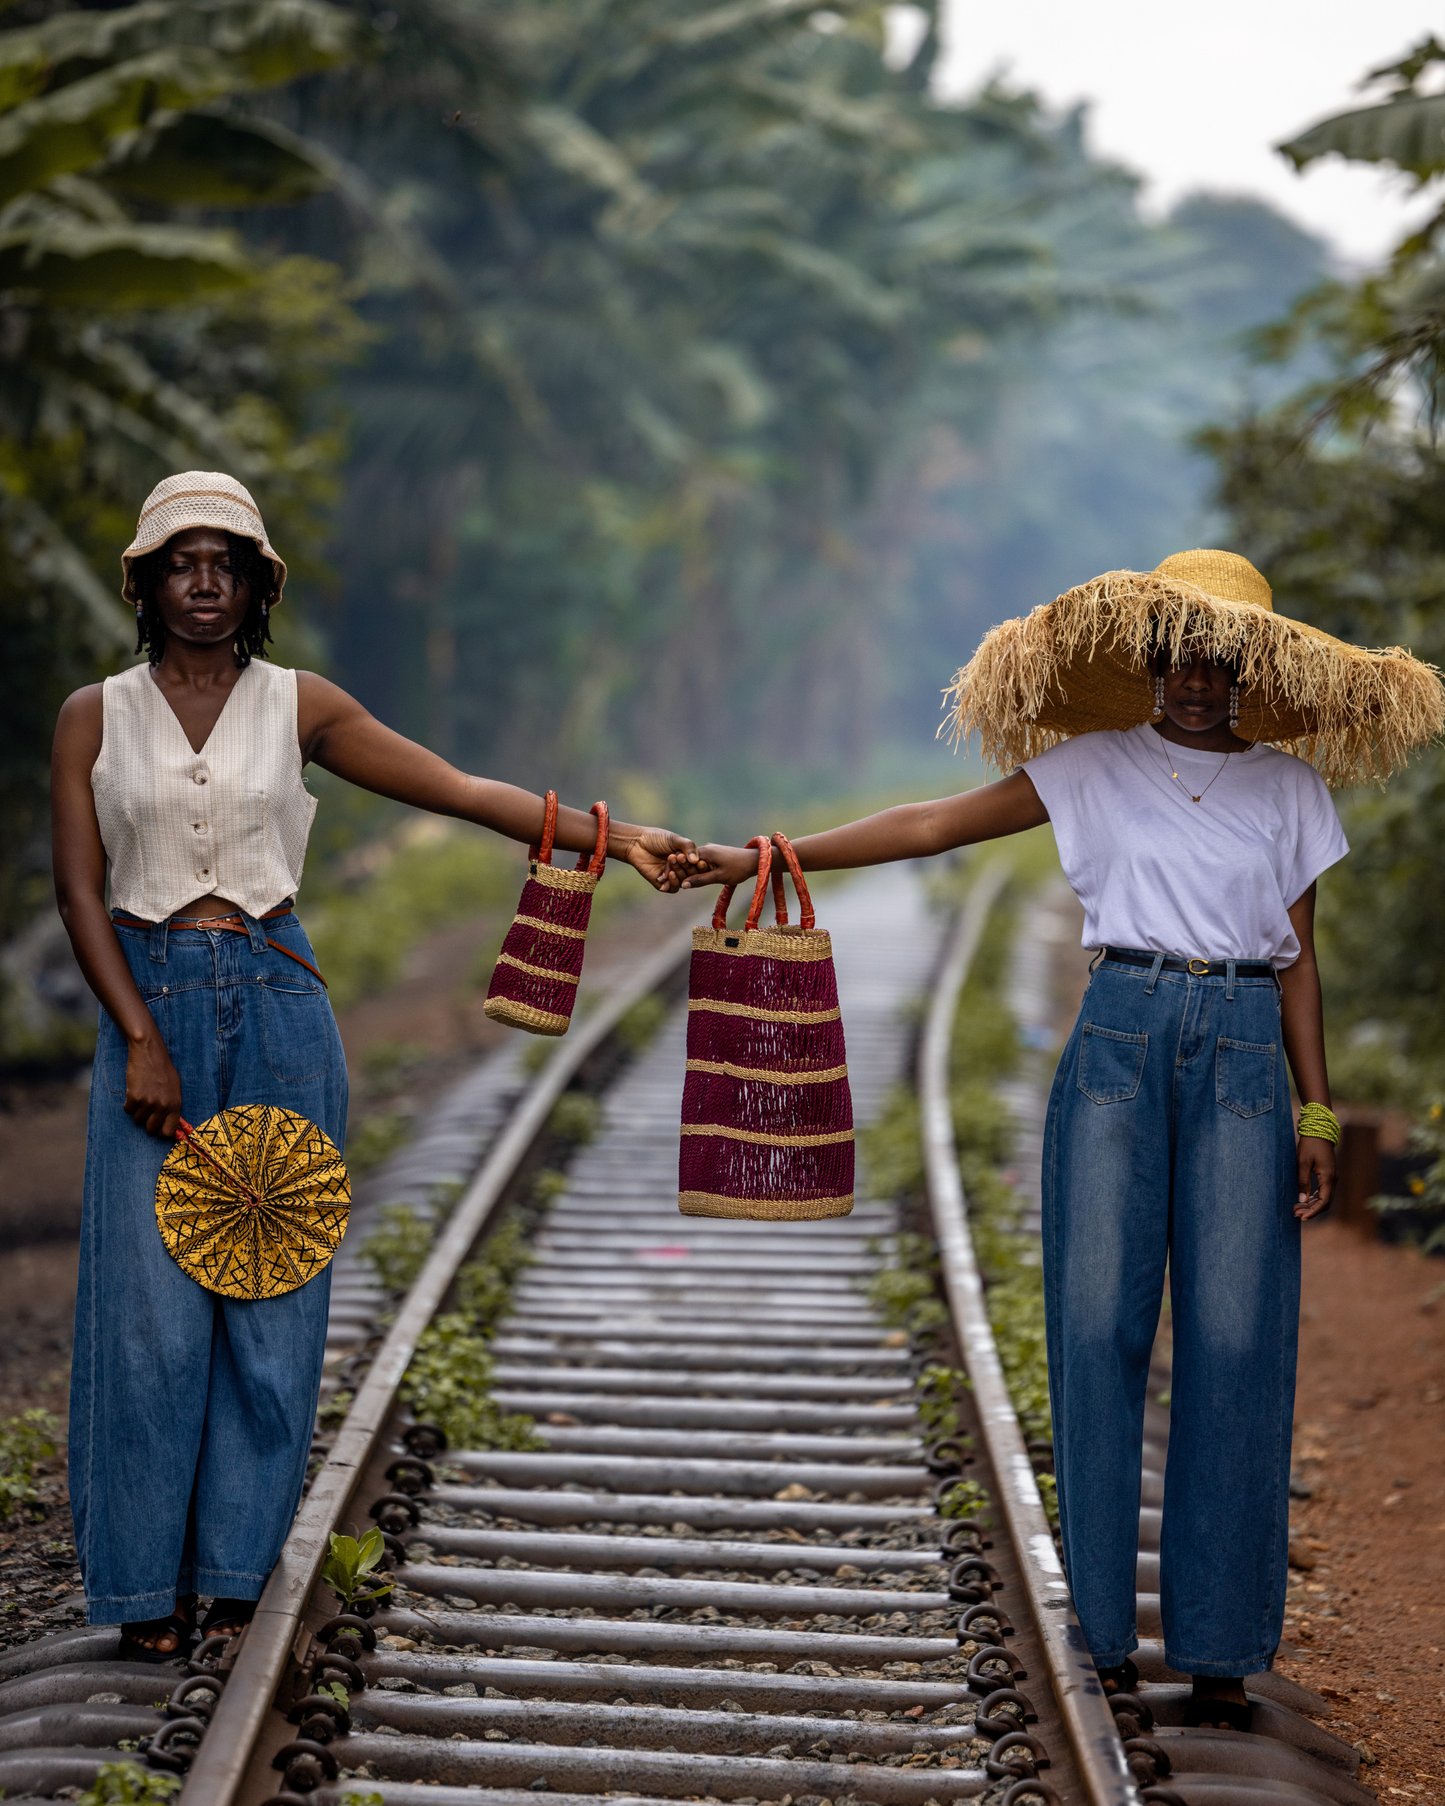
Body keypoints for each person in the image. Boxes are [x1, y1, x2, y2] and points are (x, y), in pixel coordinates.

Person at [678, 548, 1444, 1727]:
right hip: (1117, 1039)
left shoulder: (1291, 789)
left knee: (1237, 1342)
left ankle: (1220, 1644)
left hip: (1244, 1047)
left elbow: (1301, 963)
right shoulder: (1090, 764)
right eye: (1177, 656)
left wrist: (1316, 1107)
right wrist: (764, 857)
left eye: (1218, 657)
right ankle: (1098, 1630)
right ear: (1144, 666)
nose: (1197, 677)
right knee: (1094, 1326)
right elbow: (932, 821)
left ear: (1249, 667)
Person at [52, 470, 698, 1660]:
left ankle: (237, 1575)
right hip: (152, 1008)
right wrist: (140, 1036)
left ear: (255, 587)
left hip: (280, 1007)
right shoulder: (97, 715)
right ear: (145, 583)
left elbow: (456, 790)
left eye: (226, 563)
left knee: (270, 1299)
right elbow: (78, 891)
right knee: (147, 1316)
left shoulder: (300, 706)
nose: (204, 582)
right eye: (181, 562)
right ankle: (147, 1590)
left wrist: (616, 839)